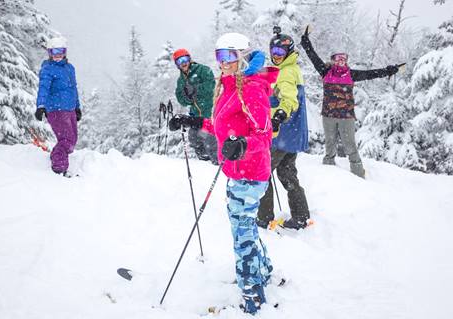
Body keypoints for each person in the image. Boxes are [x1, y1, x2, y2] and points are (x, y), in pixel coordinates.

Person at [169, 33, 279, 314]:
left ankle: (252, 296)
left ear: (242, 56)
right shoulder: (229, 86)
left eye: (229, 56)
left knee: (241, 234)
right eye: (219, 56)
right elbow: (221, 124)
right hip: (236, 171)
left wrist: (242, 145)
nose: (223, 62)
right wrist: (192, 120)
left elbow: (264, 136)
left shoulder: (252, 88)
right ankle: (263, 269)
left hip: (250, 173)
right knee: (244, 227)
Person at [300, 26, 400, 178]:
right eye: (338, 58)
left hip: (346, 116)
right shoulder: (325, 71)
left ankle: (359, 175)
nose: (341, 61)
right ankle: (328, 173)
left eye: (344, 58)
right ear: (332, 60)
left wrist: (388, 70)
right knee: (329, 145)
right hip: (328, 115)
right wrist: (305, 41)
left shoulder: (351, 74)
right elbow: (312, 55)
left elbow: (372, 74)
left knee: (350, 146)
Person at [257, 27, 311, 230]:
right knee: (287, 174)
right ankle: (301, 216)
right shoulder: (292, 69)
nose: (276, 57)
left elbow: (289, 99)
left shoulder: (286, 72)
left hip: (282, 133)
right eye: (274, 53)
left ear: (289, 52)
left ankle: (264, 217)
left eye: (280, 53)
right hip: (292, 135)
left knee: (262, 173)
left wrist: (280, 115)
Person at [35, 36, 81, 177]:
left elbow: (73, 88)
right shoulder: (48, 69)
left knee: (72, 139)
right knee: (66, 140)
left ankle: (59, 159)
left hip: (70, 108)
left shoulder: (69, 68)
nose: (57, 55)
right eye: (54, 52)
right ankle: (58, 167)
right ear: (50, 53)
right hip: (56, 109)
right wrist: (41, 105)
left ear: (65, 52)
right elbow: (43, 88)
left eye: (60, 51)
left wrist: (77, 107)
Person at [173, 48, 218, 164]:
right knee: (193, 138)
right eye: (179, 61)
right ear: (177, 64)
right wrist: (187, 97)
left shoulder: (203, 70)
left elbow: (211, 85)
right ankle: (204, 162)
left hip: (209, 111)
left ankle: (217, 162)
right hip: (196, 115)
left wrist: (196, 89)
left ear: (189, 59)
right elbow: (181, 98)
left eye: (185, 59)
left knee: (210, 139)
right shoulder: (181, 80)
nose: (183, 63)